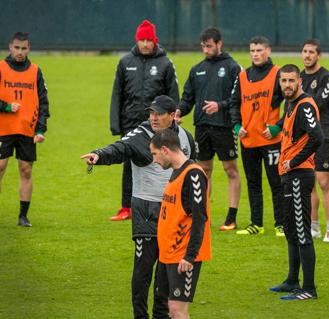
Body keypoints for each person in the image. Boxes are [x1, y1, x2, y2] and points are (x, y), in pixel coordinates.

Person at [81, 96, 194, 319]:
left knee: (166, 270)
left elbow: (192, 171)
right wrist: (99, 155)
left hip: (173, 214)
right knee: (143, 272)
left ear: (172, 116)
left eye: (158, 114)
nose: (153, 118)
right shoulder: (140, 135)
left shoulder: (186, 138)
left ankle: (160, 315)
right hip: (146, 211)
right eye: (151, 113)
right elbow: (120, 147)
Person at [109, 19, 179, 221]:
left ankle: (162, 201)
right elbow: (117, 95)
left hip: (157, 124)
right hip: (130, 122)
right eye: (142, 40)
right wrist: (115, 124)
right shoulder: (125, 62)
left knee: (160, 161)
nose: (145, 44)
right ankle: (126, 207)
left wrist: (173, 118)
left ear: (155, 40)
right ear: (137, 41)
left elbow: (173, 95)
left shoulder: (165, 63)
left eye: (149, 40)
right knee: (129, 164)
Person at [177, 27, 242, 231]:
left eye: (209, 46)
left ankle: (231, 217)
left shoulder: (233, 67)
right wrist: (179, 111)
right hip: (202, 127)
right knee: (203, 171)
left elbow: (238, 97)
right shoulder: (197, 70)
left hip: (224, 126)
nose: (205, 50)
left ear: (219, 44)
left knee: (230, 169)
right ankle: (202, 216)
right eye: (203, 46)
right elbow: (188, 98)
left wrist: (220, 106)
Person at [269, 64, 323, 300]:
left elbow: (317, 137)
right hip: (288, 176)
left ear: (300, 81)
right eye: (284, 81)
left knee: (302, 233)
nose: (287, 85)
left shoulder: (305, 105)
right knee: (291, 229)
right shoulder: (290, 104)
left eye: (291, 81)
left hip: (300, 175)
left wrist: (294, 161)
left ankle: (309, 288)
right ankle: (292, 280)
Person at [150, 129, 211, 319]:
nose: (154, 160)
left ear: (165, 150)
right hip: (168, 254)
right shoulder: (176, 172)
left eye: (154, 154)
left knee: (177, 310)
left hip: (183, 256)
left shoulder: (193, 175)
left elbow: (200, 218)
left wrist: (190, 256)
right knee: (168, 307)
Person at [229, 36, 284, 236]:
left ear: (268, 51)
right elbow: (234, 103)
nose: (255, 54)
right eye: (252, 50)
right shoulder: (243, 76)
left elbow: (293, 104)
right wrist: (236, 126)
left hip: (270, 141)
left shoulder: (278, 74)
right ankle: (256, 224)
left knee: (276, 183)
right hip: (248, 140)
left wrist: (278, 127)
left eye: (259, 50)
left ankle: (281, 224)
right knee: (253, 184)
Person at [0, 32, 49, 227]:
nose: (20, 52)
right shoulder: (1, 68)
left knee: (26, 170)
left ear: (29, 49)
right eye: (17, 48)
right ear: (10, 47)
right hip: (3, 129)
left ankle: (23, 216)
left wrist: (41, 130)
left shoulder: (36, 71)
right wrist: (5, 107)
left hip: (27, 129)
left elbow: (44, 102)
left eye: (24, 48)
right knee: (0, 167)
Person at [300, 39, 329, 242]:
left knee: (324, 183)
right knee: (309, 183)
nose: (307, 55)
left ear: (318, 55)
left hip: (322, 135)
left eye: (311, 52)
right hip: (303, 137)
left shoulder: (327, 77)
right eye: (304, 51)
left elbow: (317, 103)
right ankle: (313, 226)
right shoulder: (298, 77)